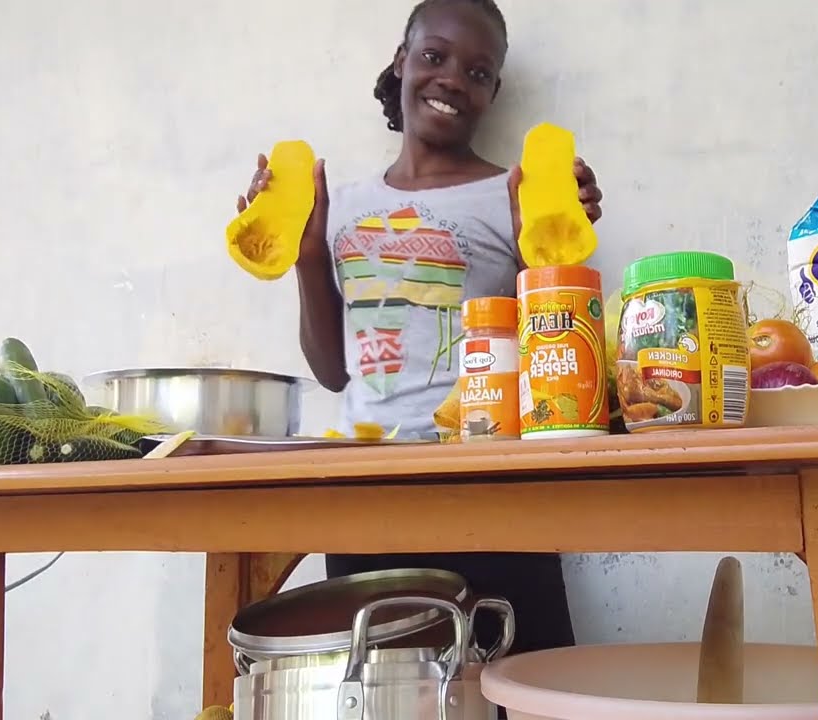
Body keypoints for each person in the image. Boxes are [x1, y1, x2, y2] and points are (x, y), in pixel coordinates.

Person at [234, 0, 605, 659]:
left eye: (478, 72)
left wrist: (553, 243)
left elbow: (553, 356)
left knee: (523, 681)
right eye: (434, 56)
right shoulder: (342, 204)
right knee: (385, 688)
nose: (453, 79)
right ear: (401, 62)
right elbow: (334, 372)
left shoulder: (513, 195)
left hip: (491, 487)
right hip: (366, 489)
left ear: (492, 92)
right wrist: (307, 253)